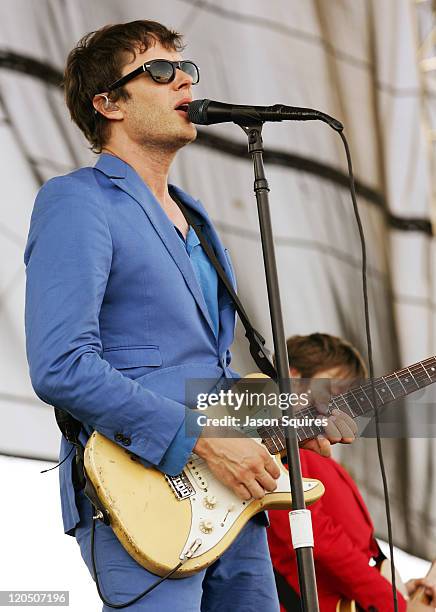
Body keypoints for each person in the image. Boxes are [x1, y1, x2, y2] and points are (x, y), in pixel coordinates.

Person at [24, 21, 357, 611]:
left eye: (184, 68)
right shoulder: (78, 201)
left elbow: (204, 372)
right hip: (142, 494)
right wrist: (202, 438)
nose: (183, 79)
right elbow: (62, 365)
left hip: (233, 501)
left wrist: (295, 409)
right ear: (108, 103)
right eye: (158, 70)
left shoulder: (197, 220)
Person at [267, 333, 436, 612]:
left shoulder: (317, 454)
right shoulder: (279, 451)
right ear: (293, 378)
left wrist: (396, 587)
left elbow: (352, 545)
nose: (342, 406)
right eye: (334, 391)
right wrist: (393, 603)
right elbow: (317, 535)